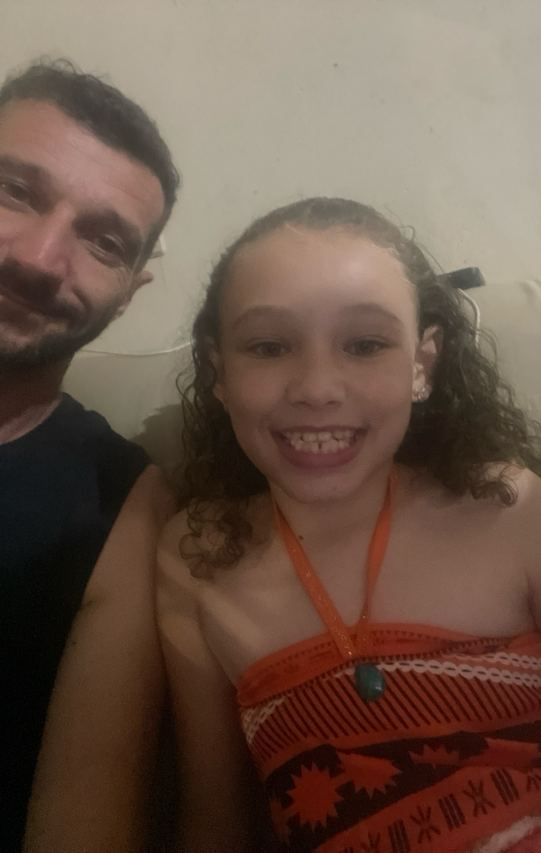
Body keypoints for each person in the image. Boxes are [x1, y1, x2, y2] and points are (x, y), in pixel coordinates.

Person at [157, 197, 541, 853]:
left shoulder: (507, 506)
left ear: (422, 365)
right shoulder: (195, 557)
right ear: (218, 371)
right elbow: (215, 824)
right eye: (269, 347)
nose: (318, 387)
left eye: (366, 345)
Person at [0, 59, 179, 852]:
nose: (40, 258)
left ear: (132, 290)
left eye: (103, 242)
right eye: (14, 192)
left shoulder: (120, 504)